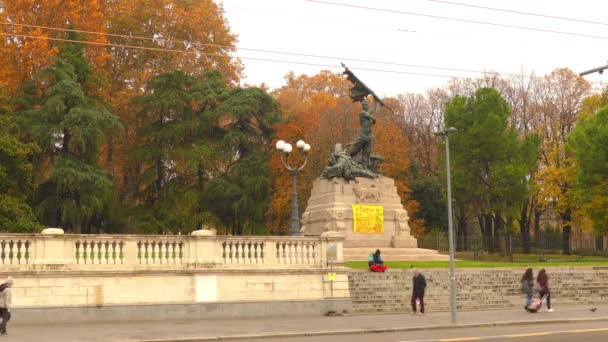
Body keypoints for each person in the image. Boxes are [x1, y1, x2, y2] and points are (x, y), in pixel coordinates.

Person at [349, 98, 377, 170]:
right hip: (362, 135)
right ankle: (346, 159)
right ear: (363, 106)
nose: (366, 106)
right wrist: (373, 120)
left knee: (367, 152)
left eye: (367, 105)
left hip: (368, 136)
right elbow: (373, 119)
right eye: (365, 105)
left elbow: (373, 109)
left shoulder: (367, 113)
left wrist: (376, 101)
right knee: (354, 150)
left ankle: (365, 167)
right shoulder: (362, 113)